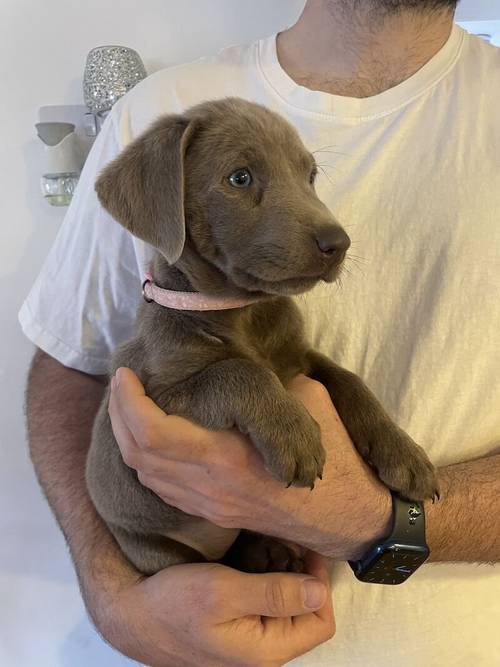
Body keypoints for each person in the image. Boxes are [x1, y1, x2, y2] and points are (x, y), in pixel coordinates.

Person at [20, 0, 500, 664]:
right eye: (242, 180)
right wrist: (120, 604)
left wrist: (381, 520)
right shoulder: (155, 117)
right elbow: (71, 368)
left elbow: (304, 370)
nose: (322, 222)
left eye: (308, 178)